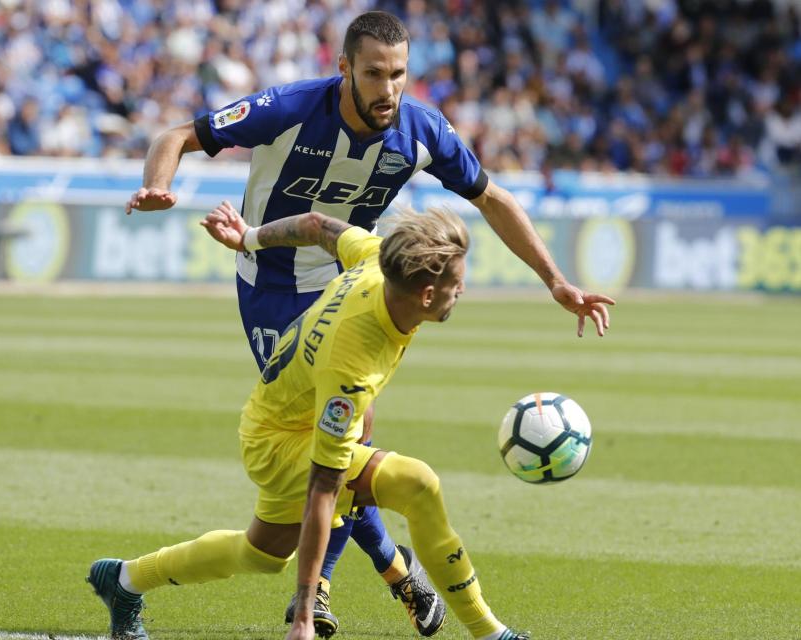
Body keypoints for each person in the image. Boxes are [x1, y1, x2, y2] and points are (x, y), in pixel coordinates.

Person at [124, 10, 611, 635]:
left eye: (399, 74)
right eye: (375, 73)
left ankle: (328, 585)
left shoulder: (421, 129)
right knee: (337, 454)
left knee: (350, 447)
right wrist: (160, 185)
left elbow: (492, 197)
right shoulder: (291, 107)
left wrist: (557, 282)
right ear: (344, 68)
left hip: (353, 281)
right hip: (272, 290)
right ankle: (390, 569)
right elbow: (175, 136)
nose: (389, 89)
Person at [87, 202, 615, 640]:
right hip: (280, 442)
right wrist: (302, 615)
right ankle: (490, 633)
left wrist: (248, 236)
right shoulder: (354, 363)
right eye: (458, 285)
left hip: (271, 417)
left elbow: (315, 225)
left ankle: (126, 580)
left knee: (263, 553)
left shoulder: (373, 259)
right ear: (427, 296)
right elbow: (323, 486)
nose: (462, 292)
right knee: (417, 484)